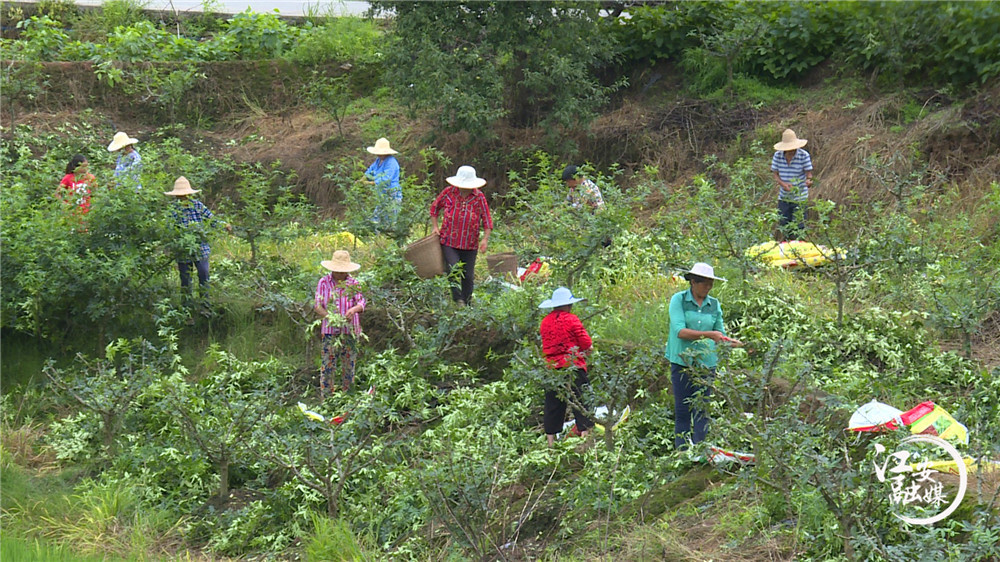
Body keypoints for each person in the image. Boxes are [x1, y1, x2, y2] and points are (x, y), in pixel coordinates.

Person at [665, 262, 743, 451]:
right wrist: (709, 335)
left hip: (706, 364)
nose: (707, 288)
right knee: (683, 410)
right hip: (682, 361)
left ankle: (701, 449)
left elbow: (719, 333)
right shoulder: (679, 300)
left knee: (702, 409)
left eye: (710, 284)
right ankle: (682, 451)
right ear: (693, 282)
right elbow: (679, 331)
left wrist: (733, 343)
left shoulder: (714, 305)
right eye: (704, 284)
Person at [164, 176, 231, 313]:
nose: (182, 198)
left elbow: (212, 220)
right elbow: (169, 229)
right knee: (185, 279)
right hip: (183, 249)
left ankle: (205, 305)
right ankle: (187, 309)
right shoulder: (173, 209)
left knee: (203, 274)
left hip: (200, 247)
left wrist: (224, 225)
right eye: (180, 196)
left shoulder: (198, 206)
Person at [539, 287, 595, 446]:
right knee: (582, 400)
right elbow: (586, 343)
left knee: (553, 405)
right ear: (568, 305)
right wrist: (589, 351)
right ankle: (585, 440)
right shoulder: (572, 319)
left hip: (551, 369)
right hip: (573, 366)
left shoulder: (545, 322)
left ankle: (550, 444)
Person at [429, 165, 493, 306]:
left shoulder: (479, 197)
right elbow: (434, 208)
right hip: (449, 240)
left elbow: (487, 219)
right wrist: (435, 227)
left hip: (470, 244)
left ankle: (467, 303)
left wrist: (485, 239)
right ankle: (458, 299)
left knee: (468, 276)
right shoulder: (448, 193)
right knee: (453, 268)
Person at [314, 250, 366, 394]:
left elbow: (361, 302)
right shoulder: (324, 282)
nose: (340, 274)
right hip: (330, 332)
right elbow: (317, 305)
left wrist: (354, 310)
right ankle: (327, 399)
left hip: (349, 331)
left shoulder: (354, 283)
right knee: (327, 367)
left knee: (349, 367)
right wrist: (330, 317)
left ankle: (347, 397)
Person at [771, 129, 813, 240]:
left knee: (799, 226)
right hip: (784, 197)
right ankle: (787, 247)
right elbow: (775, 174)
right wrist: (783, 184)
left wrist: (808, 181)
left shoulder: (803, 156)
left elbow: (809, 174)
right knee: (784, 224)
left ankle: (798, 249)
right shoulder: (777, 156)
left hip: (800, 197)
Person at [364, 137, 402, 234]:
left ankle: (388, 240)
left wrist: (371, 183)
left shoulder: (391, 162)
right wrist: (363, 179)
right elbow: (370, 171)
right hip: (382, 195)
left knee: (390, 219)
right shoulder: (378, 161)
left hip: (392, 194)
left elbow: (386, 179)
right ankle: (378, 239)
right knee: (377, 218)